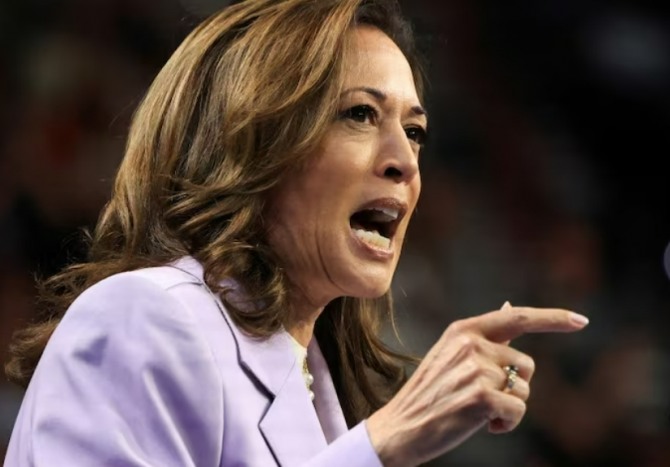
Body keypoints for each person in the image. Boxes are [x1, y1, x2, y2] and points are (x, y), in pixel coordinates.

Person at [3, 0, 590, 465]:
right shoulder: (141, 318)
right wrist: (380, 446)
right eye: (360, 114)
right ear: (250, 142)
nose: (405, 163)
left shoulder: (324, 386)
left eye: (414, 132)